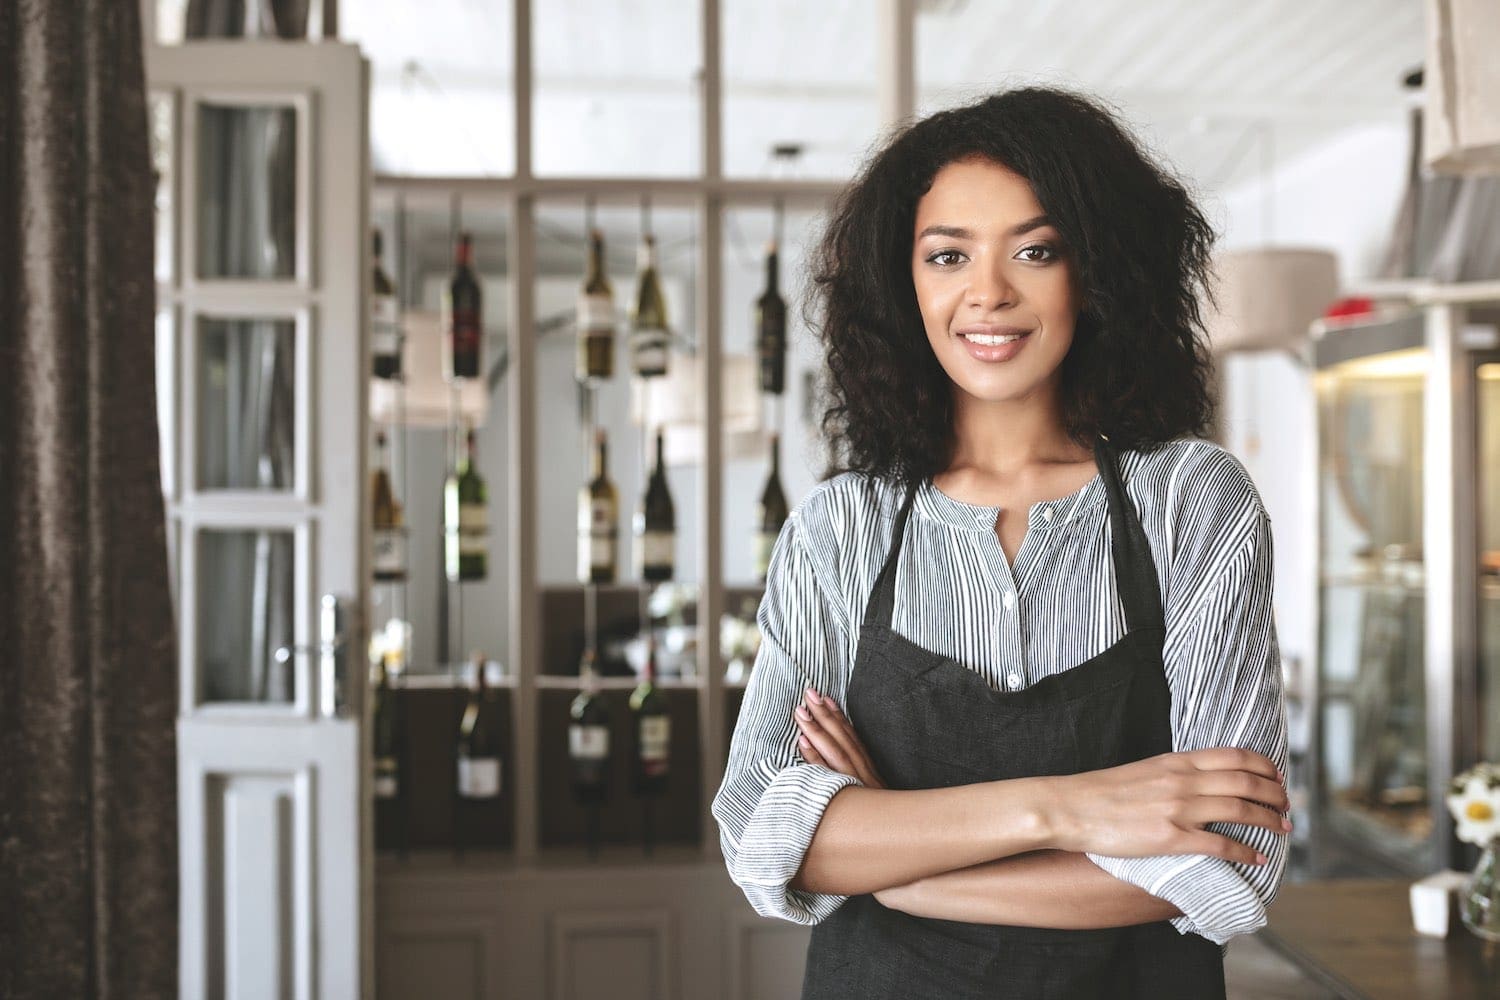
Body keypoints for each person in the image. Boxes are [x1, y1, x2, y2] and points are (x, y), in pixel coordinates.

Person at [710, 86, 1290, 1000]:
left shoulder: (1191, 500)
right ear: (903, 285)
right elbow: (763, 835)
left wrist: (896, 864)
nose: (989, 292)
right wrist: (1067, 807)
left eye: (1036, 250)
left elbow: (1231, 856)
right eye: (948, 255)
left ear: (1095, 272)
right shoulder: (841, 529)